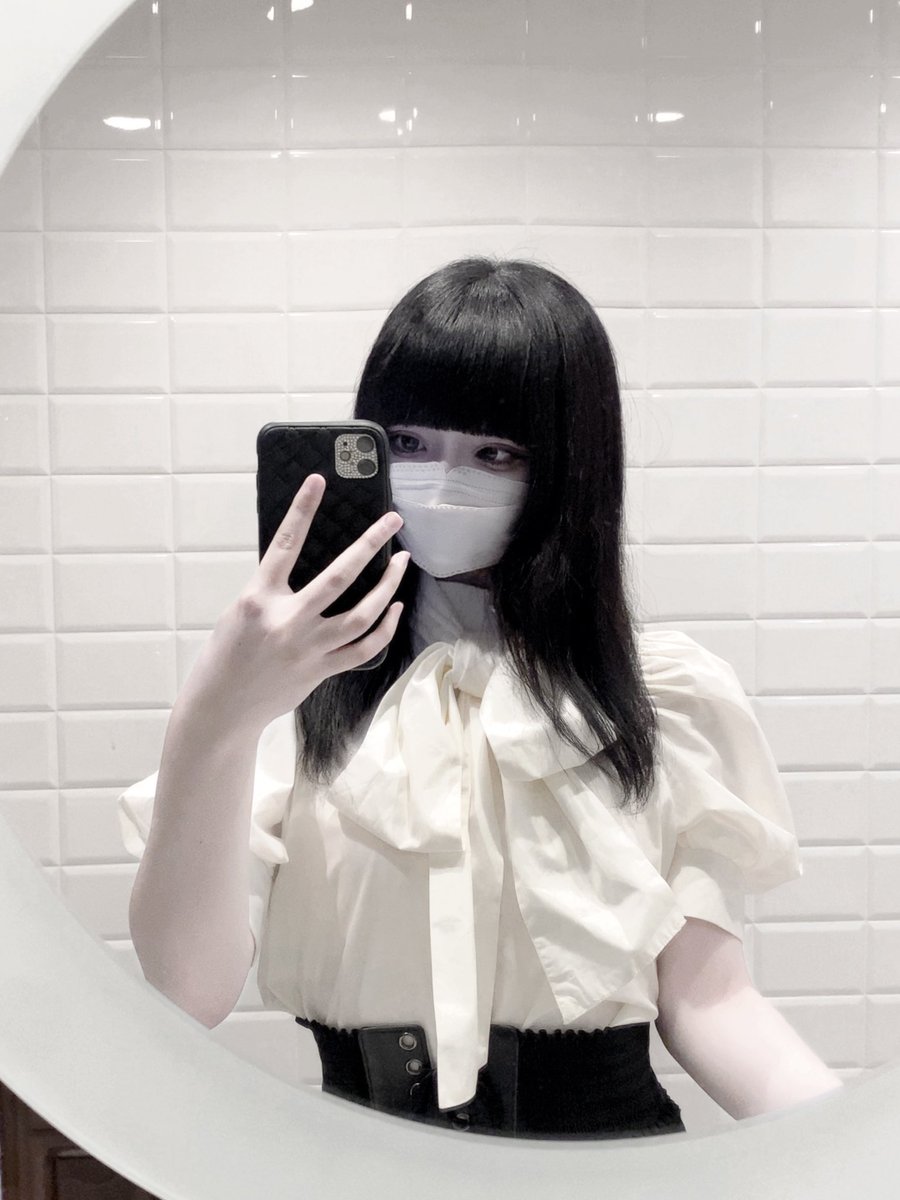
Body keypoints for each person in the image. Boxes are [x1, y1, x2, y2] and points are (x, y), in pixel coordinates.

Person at [118, 257, 843, 1140]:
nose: (443, 480)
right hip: (361, 1173)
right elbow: (188, 990)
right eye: (408, 443)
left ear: (568, 467)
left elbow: (712, 1004)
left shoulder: (664, 697)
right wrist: (215, 717)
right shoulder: (292, 691)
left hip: (612, 1169)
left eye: (495, 452)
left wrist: (849, 1150)